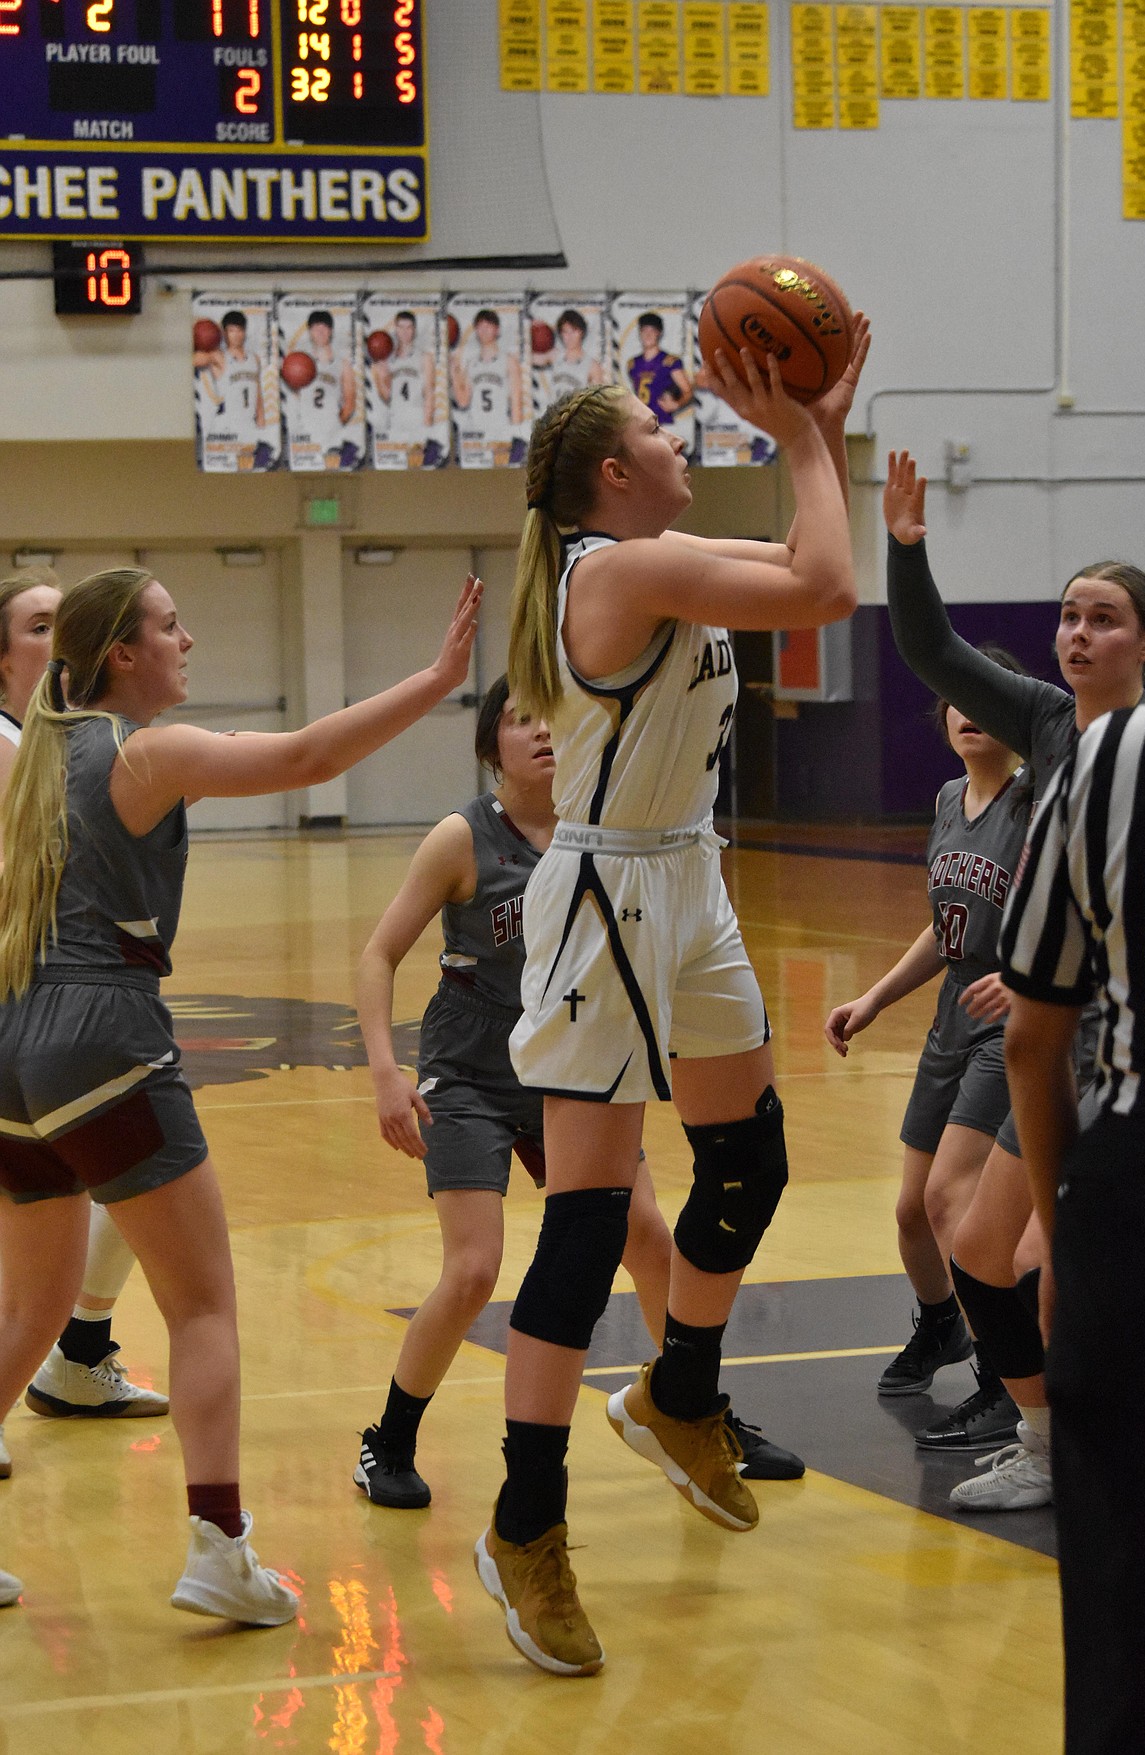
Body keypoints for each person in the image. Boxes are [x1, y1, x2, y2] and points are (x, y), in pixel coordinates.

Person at [473, 319, 866, 1677]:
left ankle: (681, 1389)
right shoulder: (620, 570)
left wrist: (815, 429)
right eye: (651, 428)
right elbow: (822, 580)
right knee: (585, 1227)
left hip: (686, 880)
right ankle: (526, 1519)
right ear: (612, 477)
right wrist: (807, 428)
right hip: (601, 903)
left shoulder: (659, 562)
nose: (672, 429)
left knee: (745, 1155)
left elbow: (817, 572)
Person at [0, 566, 481, 1618]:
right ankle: (218, 1551)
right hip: (101, 1037)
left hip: (12, 1047)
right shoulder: (144, 747)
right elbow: (307, 755)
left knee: (32, 1307)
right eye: (171, 626)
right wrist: (435, 678)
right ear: (123, 653)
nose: (189, 642)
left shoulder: (37, 753)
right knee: (204, 1303)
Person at [353, 677, 801, 1508]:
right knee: (474, 1269)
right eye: (521, 721)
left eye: (554, 719)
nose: (542, 734)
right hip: (475, 1072)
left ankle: (694, 1407)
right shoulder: (461, 837)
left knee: (649, 1237)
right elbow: (378, 952)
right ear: (492, 744)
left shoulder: (606, 831)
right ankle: (390, 1438)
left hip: (573, 1062)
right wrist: (386, 1068)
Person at [883, 449, 1145, 1499]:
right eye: (1069, 616)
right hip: (1039, 1038)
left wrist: (1066, 985)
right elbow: (929, 646)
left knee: (1059, 1254)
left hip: (1125, 1046)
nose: (1079, 633)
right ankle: (1046, 1444)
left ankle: (1091, 1437)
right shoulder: (1046, 723)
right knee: (974, 1236)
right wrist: (906, 551)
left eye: (1103, 619)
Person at [1000, 696, 1145, 1753]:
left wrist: (1062, 1247)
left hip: (1140, 1185)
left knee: (1124, 1579)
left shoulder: (1116, 753)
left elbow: (1031, 1037)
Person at [824, 650, 1031, 1432]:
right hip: (953, 1011)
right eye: (956, 700)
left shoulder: (1040, 797)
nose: (969, 711)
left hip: (1012, 1019)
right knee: (912, 1208)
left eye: (986, 699)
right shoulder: (949, 798)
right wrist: (875, 996)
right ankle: (941, 1322)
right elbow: (945, 925)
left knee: (953, 1198)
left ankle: (1006, 1374)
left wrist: (1035, 980)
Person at [0, 571, 167, 1495]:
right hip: (29, 1012)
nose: (57, 637)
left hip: (51, 1012)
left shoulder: (61, 744)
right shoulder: (19, 750)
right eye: (37, 626)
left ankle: (82, 1351)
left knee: (140, 1174)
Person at [450, 309, 525, 454]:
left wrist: (516, 434)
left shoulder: (509, 361)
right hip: (475, 432)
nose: (484, 330)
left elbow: (516, 402)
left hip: (501, 432)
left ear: (497, 329)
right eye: (480, 326)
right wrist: (454, 373)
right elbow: (463, 401)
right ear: (476, 330)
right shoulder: (471, 364)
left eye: (488, 326)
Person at [292, 309, 359, 468]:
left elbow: (350, 403)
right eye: (316, 327)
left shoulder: (343, 365)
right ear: (309, 332)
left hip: (332, 435)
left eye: (324, 327)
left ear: (331, 331)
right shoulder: (298, 363)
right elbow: (293, 398)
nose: (320, 331)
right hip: (305, 434)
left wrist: (334, 425)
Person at [370, 310, 436, 435]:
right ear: (396, 329)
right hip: (395, 421)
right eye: (401, 327)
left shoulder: (424, 357)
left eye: (409, 327)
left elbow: (429, 394)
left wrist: (427, 427)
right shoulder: (388, 360)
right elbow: (387, 396)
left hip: (418, 420)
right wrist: (380, 378)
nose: (405, 332)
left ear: (414, 330)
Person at [625, 313, 692, 425]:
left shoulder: (670, 362)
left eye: (652, 331)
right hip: (641, 424)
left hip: (662, 424)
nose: (648, 335)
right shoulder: (633, 363)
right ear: (640, 333)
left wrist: (677, 404)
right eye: (644, 331)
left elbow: (688, 391)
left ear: (659, 333)